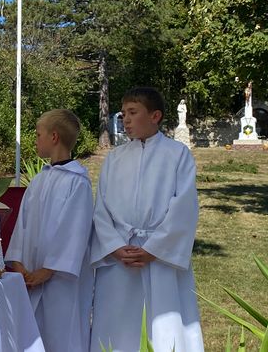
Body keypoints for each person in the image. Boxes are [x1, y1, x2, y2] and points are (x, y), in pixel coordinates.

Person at [90, 87, 204, 352]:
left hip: (159, 256)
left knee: (164, 324)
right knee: (116, 326)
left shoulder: (177, 154)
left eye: (133, 113)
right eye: (123, 114)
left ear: (155, 116)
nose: (125, 120)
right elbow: (101, 209)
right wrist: (115, 247)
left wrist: (154, 249)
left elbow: (184, 207)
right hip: (121, 257)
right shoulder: (114, 159)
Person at [5, 109, 94, 352]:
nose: (36, 140)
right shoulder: (39, 180)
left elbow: (75, 231)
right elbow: (22, 225)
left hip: (61, 280)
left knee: (62, 334)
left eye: (38, 134)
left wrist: (48, 270)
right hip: (31, 276)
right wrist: (20, 265)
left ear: (54, 137)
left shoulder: (77, 182)